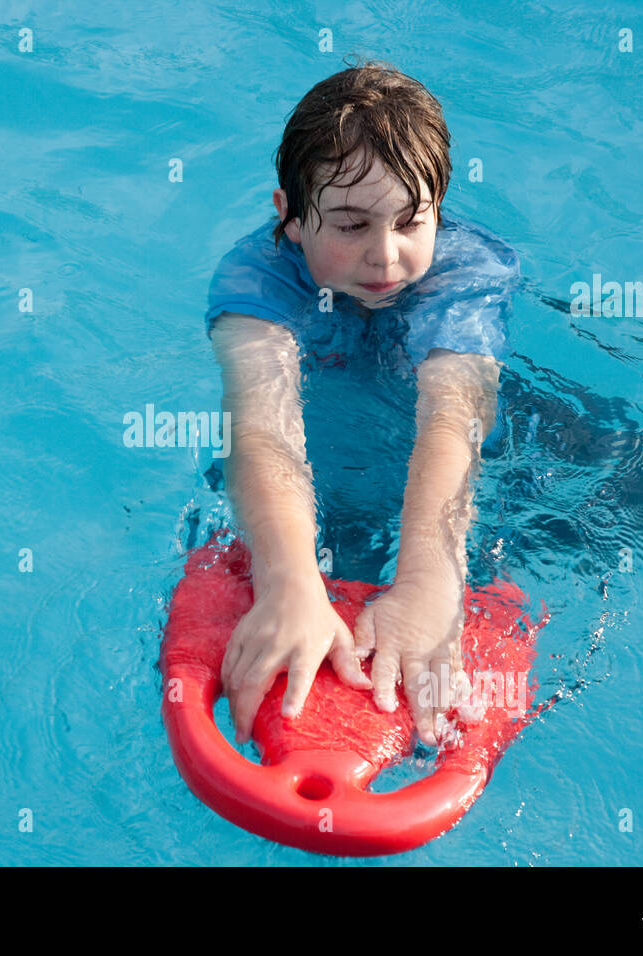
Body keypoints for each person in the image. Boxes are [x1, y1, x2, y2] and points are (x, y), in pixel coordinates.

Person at [204, 59, 511, 748]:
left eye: (411, 221)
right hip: (333, 474)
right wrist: (289, 581)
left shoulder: (464, 276)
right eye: (349, 225)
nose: (385, 256)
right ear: (288, 217)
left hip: (472, 444)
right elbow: (260, 428)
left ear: (440, 210)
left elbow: (453, 417)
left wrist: (433, 585)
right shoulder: (257, 285)